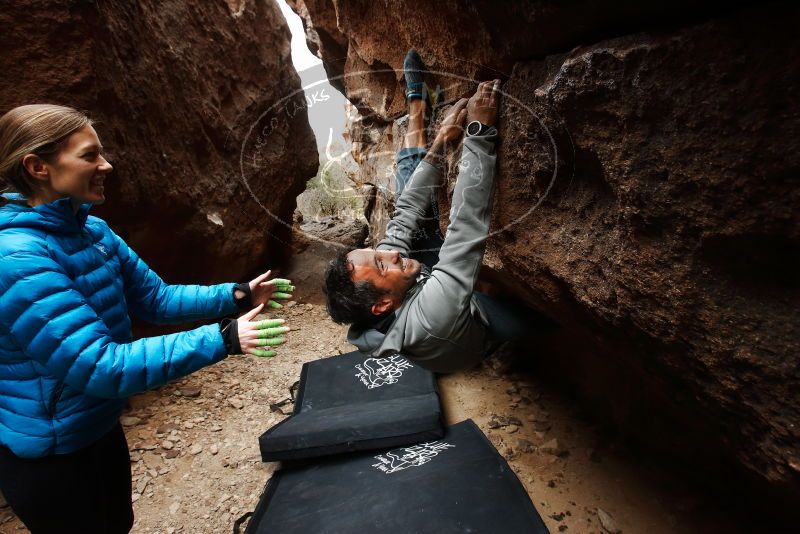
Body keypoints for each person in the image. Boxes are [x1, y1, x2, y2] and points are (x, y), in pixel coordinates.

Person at [0, 104, 292, 533]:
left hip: (96, 425)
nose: (106, 164)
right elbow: (99, 365)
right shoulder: (18, 258)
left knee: (119, 523)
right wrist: (223, 339)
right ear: (37, 166)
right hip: (53, 453)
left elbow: (156, 298)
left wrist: (237, 294)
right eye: (89, 155)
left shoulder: (91, 231)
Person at [325, 50, 552, 373]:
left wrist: (442, 141)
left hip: (422, 286)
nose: (389, 253)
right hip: (477, 325)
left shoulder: (387, 286)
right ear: (383, 304)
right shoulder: (433, 316)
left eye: (376, 252)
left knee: (408, 204)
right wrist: (479, 133)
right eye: (380, 263)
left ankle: (416, 105)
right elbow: (465, 228)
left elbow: (404, 216)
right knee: (546, 321)